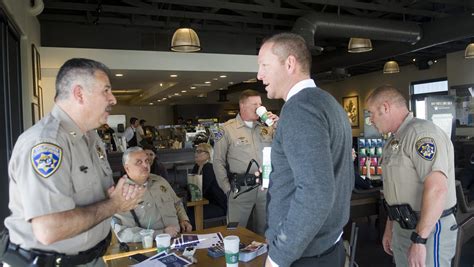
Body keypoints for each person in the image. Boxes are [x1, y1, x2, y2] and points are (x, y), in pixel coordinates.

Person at [2, 58, 145, 267]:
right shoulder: (46, 143)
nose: (113, 99)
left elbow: (95, 198)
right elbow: (49, 229)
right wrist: (114, 204)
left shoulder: (91, 138)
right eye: (106, 90)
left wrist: (119, 196)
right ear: (79, 94)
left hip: (93, 259)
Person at [256, 33, 354, 267]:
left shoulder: (299, 109)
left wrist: (278, 257)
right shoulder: (329, 104)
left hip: (305, 256)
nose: (259, 75)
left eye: (264, 66)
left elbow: (316, 193)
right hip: (328, 247)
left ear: (289, 64)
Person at [366, 85, 457, 267]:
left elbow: (437, 188)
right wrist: (390, 227)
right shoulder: (394, 141)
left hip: (429, 229)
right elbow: (397, 190)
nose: (371, 120)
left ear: (385, 107)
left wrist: (420, 240)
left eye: (372, 114)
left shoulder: (421, 134)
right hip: (402, 226)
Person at [213, 89, 278, 236]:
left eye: (260, 104)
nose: (259, 107)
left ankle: (263, 259)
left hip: (264, 189)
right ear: (242, 106)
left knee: (265, 232)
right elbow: (217, 161)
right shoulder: (226, 129)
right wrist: (226, 188)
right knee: (236, 234)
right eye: (254, 104)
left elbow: (284, 148)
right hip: (240, 189)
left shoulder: (266, 128)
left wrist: (278, 125)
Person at [112, 147, 192, 242]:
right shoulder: (123, 193)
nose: (145, 165)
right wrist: (160, 234)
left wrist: (183, 219)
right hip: (150, 245)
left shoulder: (160, 181)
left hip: (179, 238)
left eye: (146, 161)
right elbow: (124, 233)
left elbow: (177, 202)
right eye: (139, 162)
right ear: (127, 168)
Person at [190, 143, 227, 222]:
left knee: (190, 214)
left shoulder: (209, 167)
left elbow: (202, 189)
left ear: (208, 154)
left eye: (199, 151)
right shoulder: (197, 166)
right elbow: (192, 185)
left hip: (217, 205)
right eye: (196, 151)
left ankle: (197, 233)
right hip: (205, 202)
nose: (196, 153)